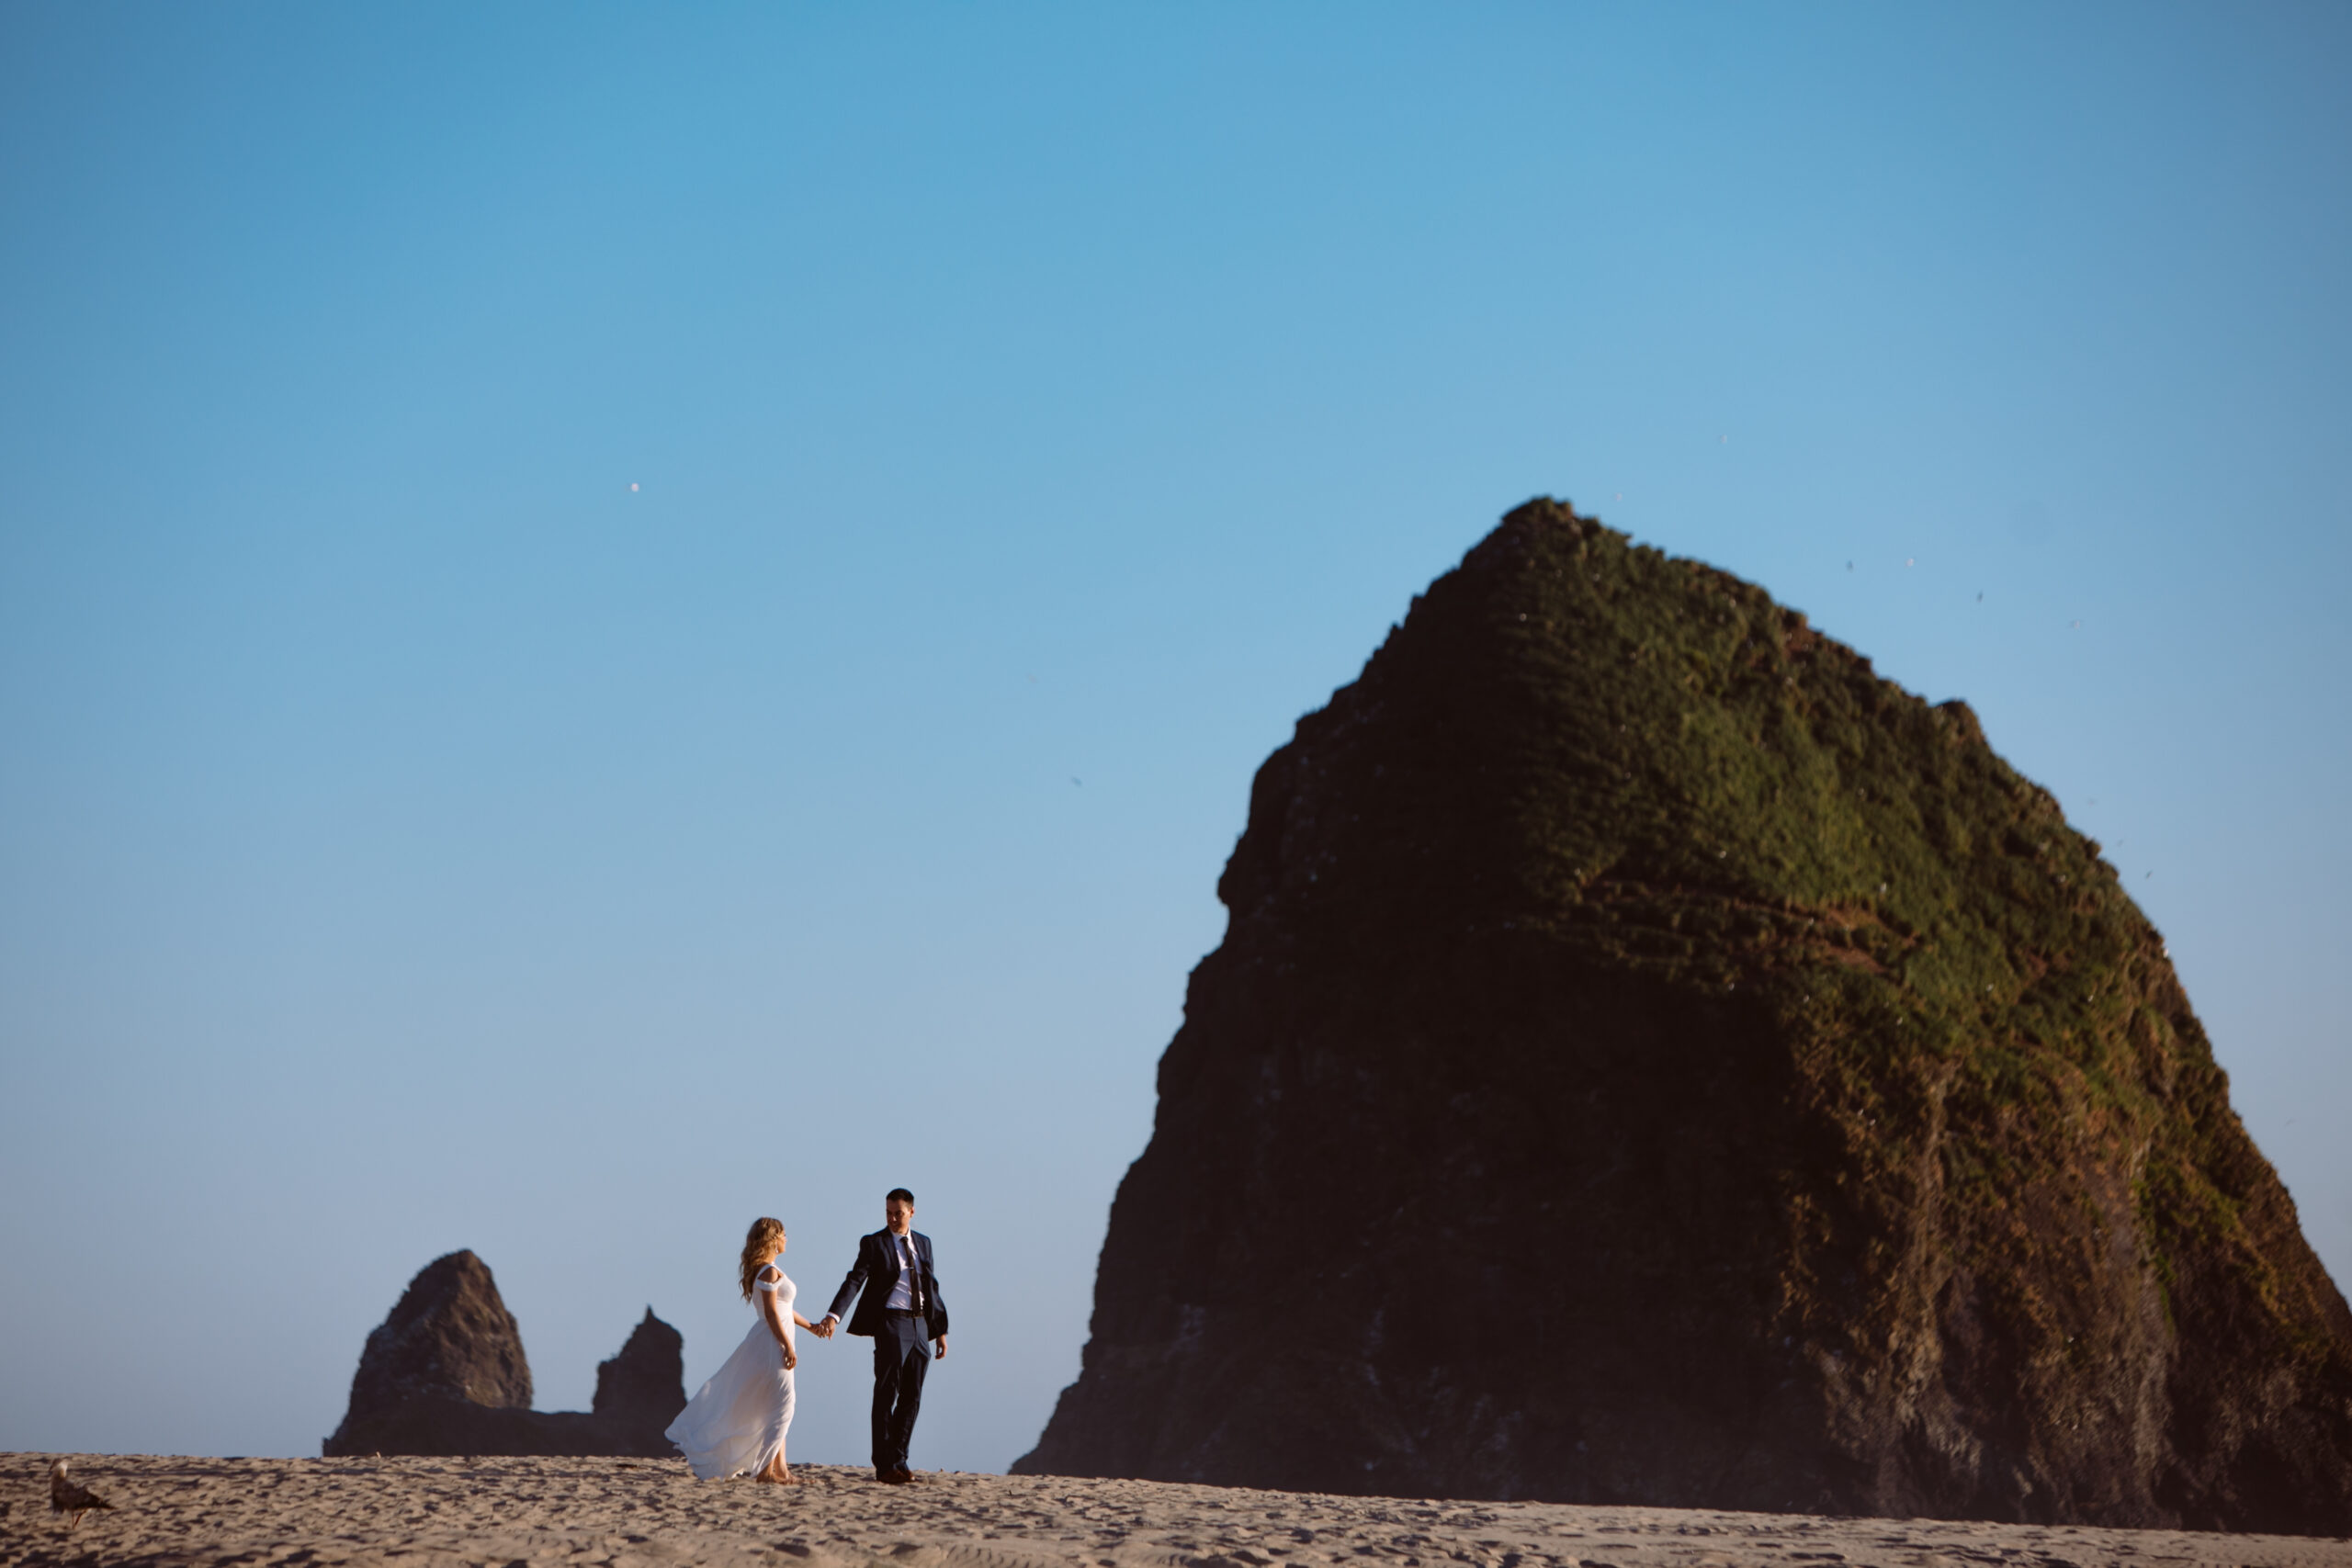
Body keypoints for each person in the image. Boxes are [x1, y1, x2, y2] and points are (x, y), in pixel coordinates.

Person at [666, 1216, 832, 1483]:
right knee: (785, 1405)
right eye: (783, 1234)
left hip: (773, 1341)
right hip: (771, 1344)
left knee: (775, 1406)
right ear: (772, 1238)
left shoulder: (772, 1270)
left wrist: (811, 1327)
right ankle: (766, 1471)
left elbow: (784, 1310)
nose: (787, 1239)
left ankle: (781, 1470)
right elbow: (770, 1313)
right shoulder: (767, 1271)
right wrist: (787, 1344)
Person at [819, 1188, 948, 1483]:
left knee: (912, 1395)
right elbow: (855, 1280)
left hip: (920, 1326)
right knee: (886, 1392)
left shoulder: (924, 1244)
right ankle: (884, 1465)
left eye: (898, 1213)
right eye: (888, 1212)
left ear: (911, 1212)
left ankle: (900, 1459)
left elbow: (932, 1288)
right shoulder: (874, 1243)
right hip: (891, 1323)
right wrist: (833, 1315)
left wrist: (939, 1330)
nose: (892, 1218)